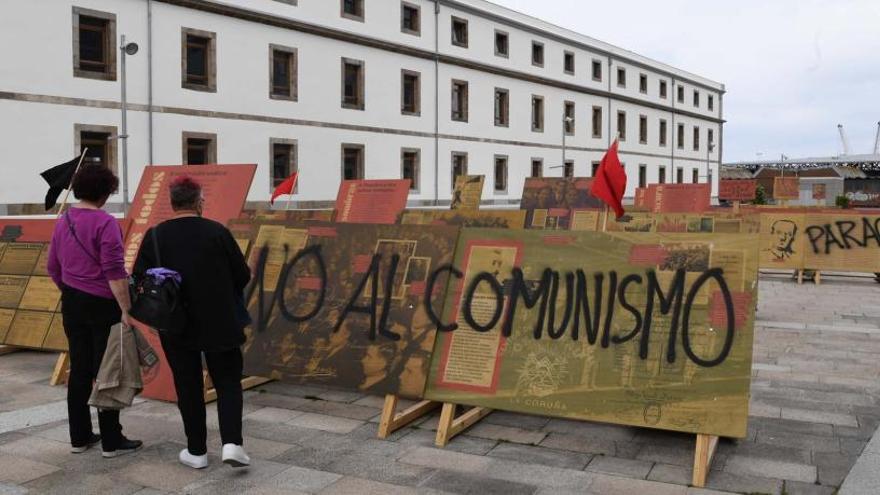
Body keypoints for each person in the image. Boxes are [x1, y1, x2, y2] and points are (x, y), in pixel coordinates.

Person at [133, 176, 251, 469]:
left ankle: (196, 451)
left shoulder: (156, 235)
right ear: (199, 201)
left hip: (176, 321)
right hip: (220, 318)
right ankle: (232, 444)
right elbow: (242, 274)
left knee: (187, 385)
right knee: (227, 381)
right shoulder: (217, 232)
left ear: (172, 202)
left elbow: (140, 277)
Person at [47, 165, 143, 458]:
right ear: (104, 193)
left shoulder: (64, 220)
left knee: (80, 368)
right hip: (102, 303)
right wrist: (126, 309)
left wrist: (71, 289)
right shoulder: (105, 223)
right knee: (108, 369)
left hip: (73, 302)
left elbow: (53, 266)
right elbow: (115, 272)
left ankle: (80, 437)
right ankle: (112, 440)